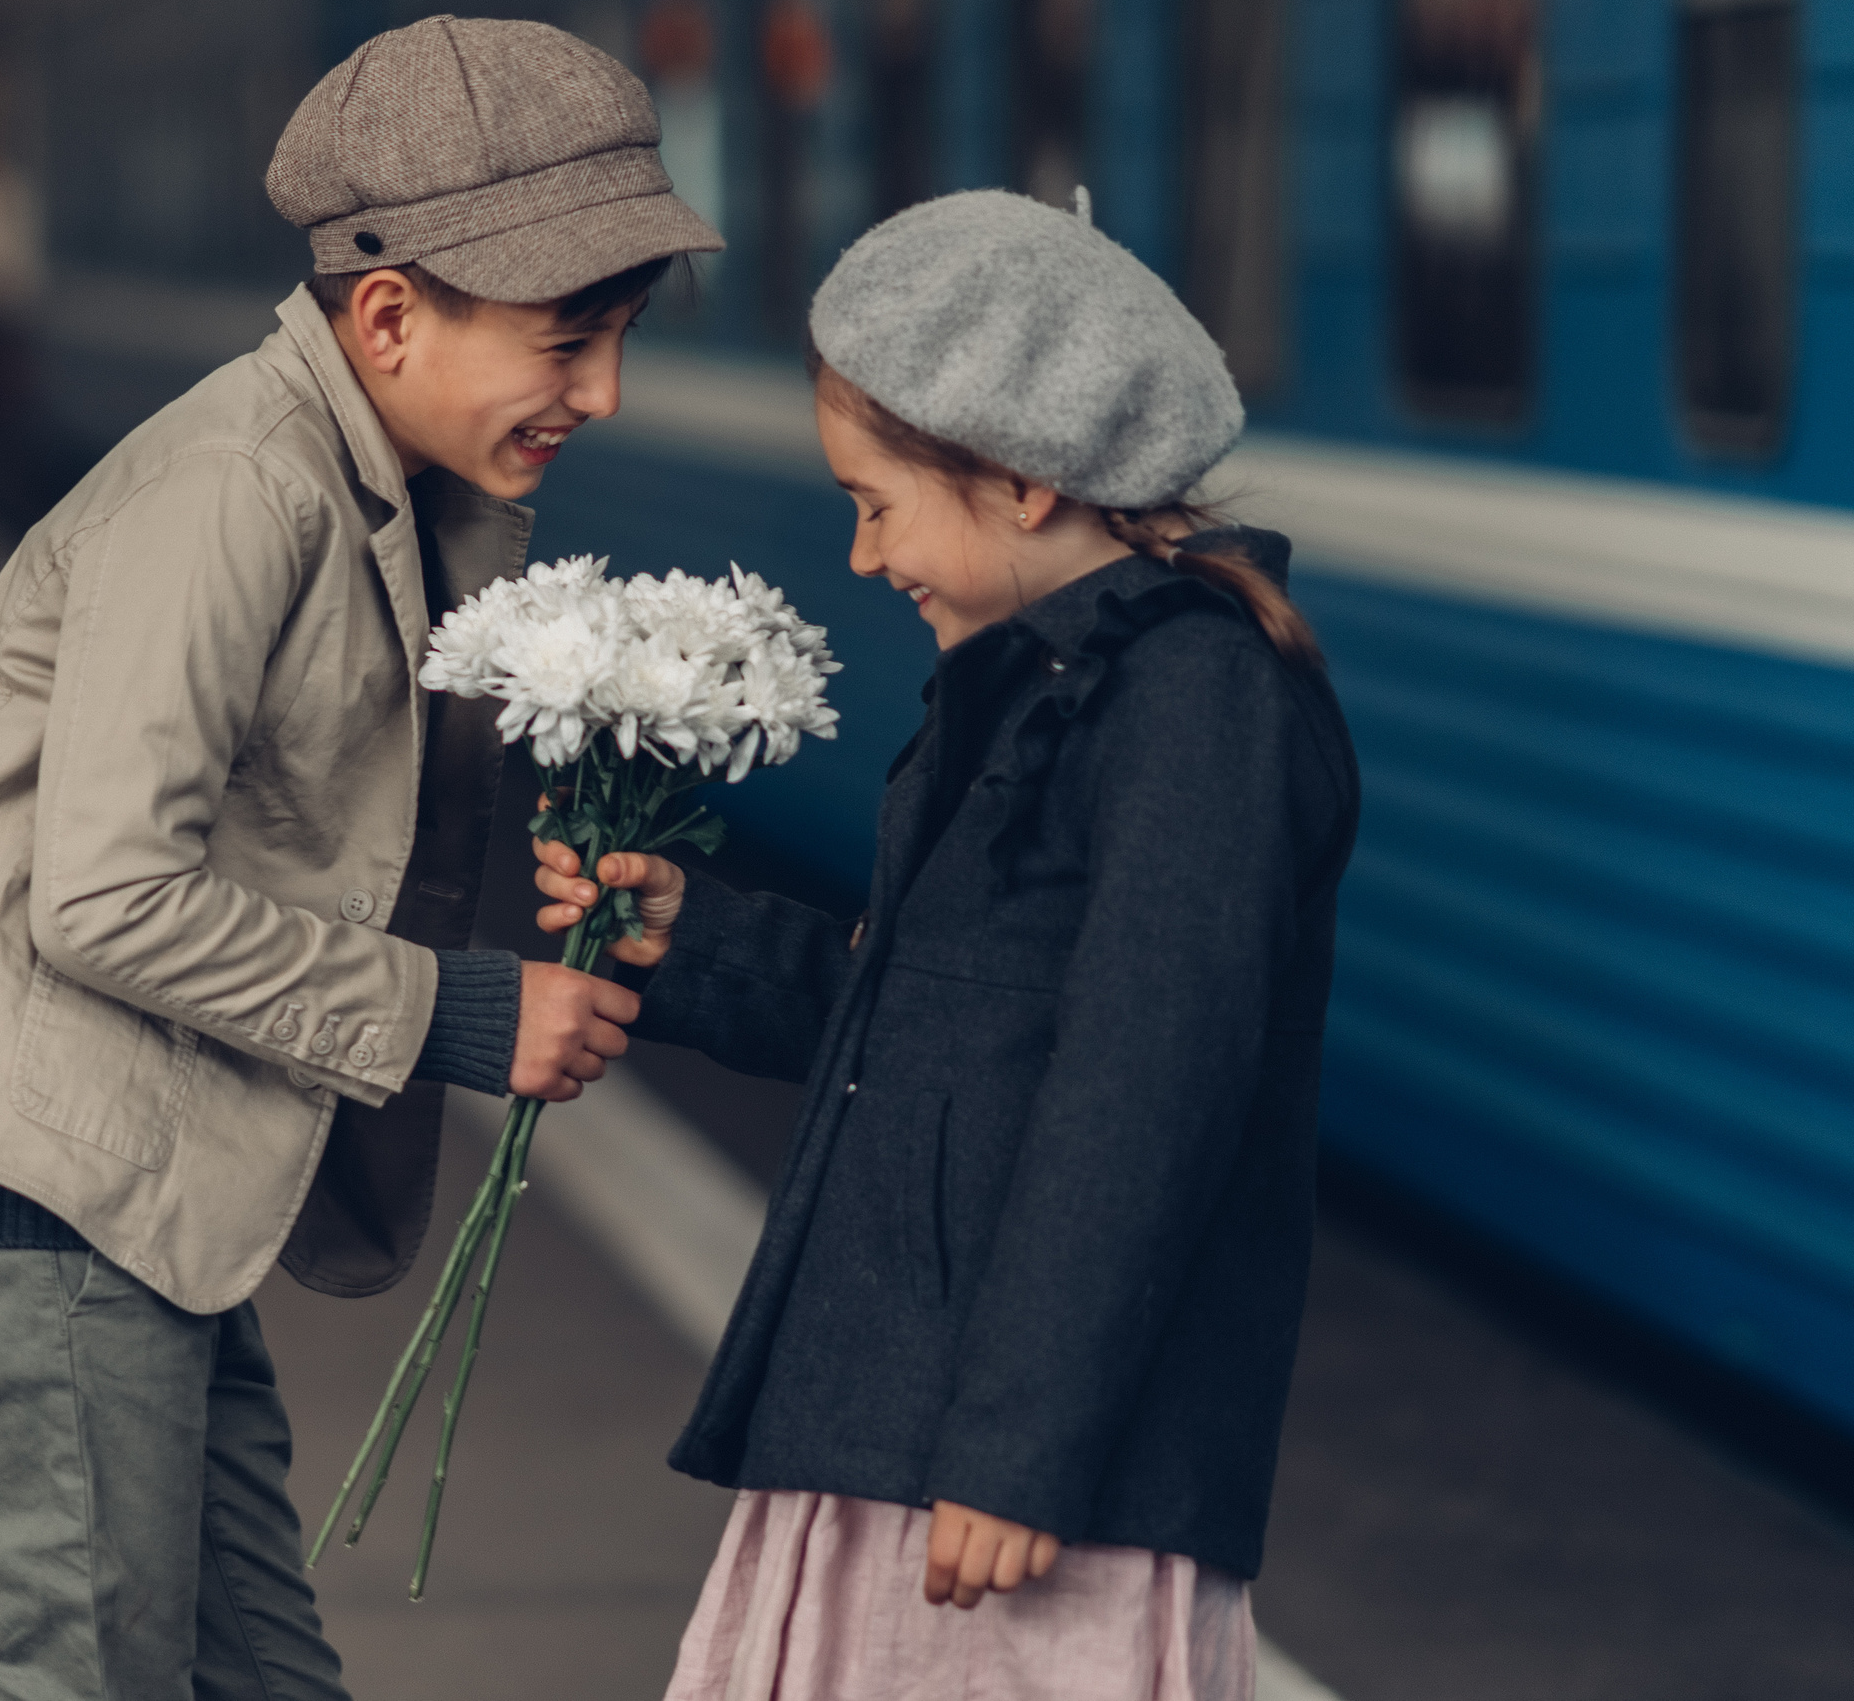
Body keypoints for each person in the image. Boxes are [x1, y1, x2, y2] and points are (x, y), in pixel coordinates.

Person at [0, 18, 721, 1701]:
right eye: (568, 341)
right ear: (388, 315)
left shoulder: (350, 474)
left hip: (136, 1184)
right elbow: (105, 895)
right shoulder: (238, 488)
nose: (599, 392)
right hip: (40, 1188)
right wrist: (461, 1013)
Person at [533, 190, 1360, 1700]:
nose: (860, 554)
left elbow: (1144, 1099)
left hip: (1021, 1482)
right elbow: (939, 1018)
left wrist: (1022, 1451)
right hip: (899, 1424)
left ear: (1023, 480)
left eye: (877, 502)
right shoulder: (1041, 683)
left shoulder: (1196, 706)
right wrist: (690, 941)